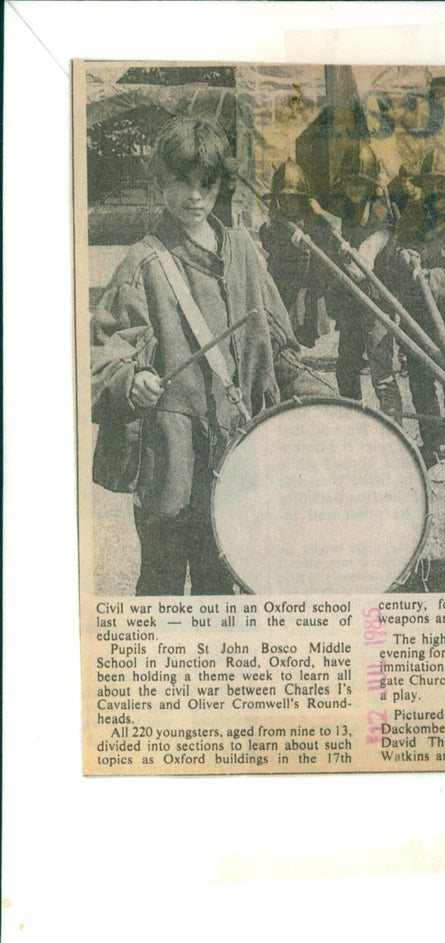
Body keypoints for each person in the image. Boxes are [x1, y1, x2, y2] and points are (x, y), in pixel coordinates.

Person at [91, 116, 327, 596]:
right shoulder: (144, 262)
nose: (194, 196)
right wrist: (130, 380)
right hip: (169, 458)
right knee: (159, 581)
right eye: (181, 181)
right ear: (160, 183)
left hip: (235, 452)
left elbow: (278, 346)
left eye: (207, 183)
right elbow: (106, 355)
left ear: (222, 185)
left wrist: (327, 399)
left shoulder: (243, 251)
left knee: (221, 582)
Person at [374, 147, 445, 473]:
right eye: (430, 185)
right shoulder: (415, 215)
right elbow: (394, 250)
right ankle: (431, 445)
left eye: (442, 185)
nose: (436, 192)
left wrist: (431, 277)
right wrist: (402, 255)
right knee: (419, 379)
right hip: (420, 314)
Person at [320, 141, 402, 420]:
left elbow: (365, 265)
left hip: (378, 305)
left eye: (360, 184)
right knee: (346, 367)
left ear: (369, 186)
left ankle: (395, 426)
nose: (355, 189)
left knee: (382, 373)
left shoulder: (381, 218)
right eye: (350, 184)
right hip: (351, 305)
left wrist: (354, 257)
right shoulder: (342, 215)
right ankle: (352, 422)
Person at [258, 159, 328, 349]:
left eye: (294, 200)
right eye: (284, 199)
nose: (289, 204)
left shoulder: (312, 227)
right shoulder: (270, 228)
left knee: (298, 334)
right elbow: (274, 259)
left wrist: (305, 251)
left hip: (304, 293)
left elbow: (314, 273)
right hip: (281, 289)